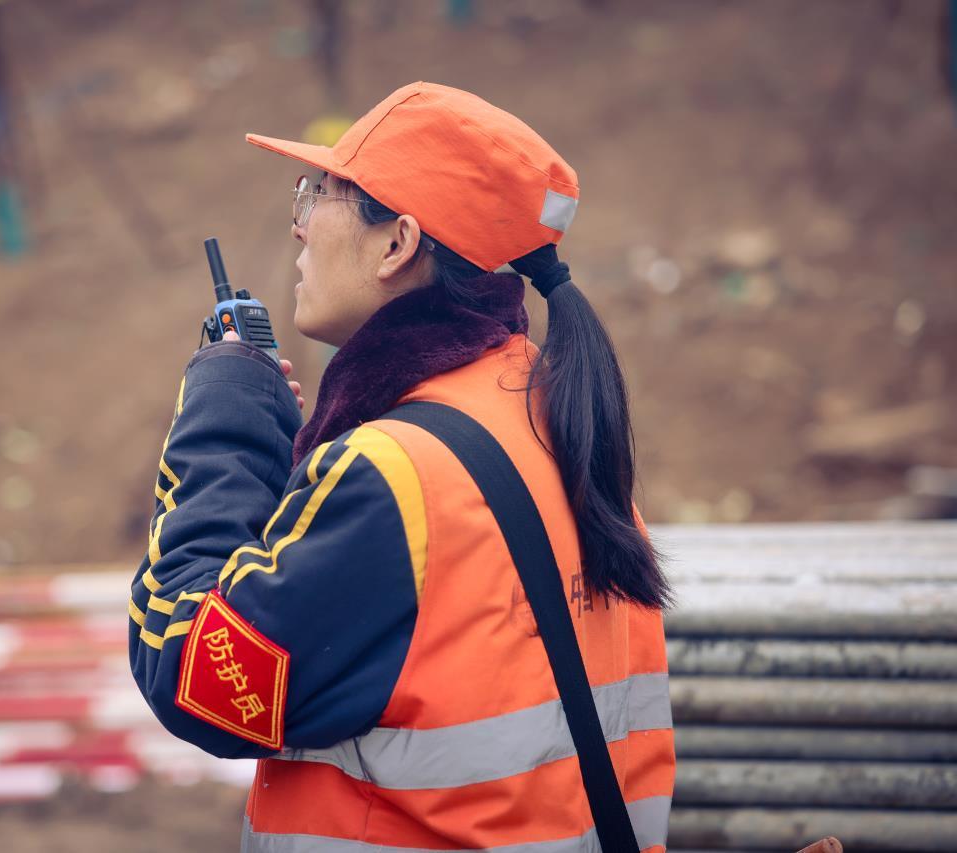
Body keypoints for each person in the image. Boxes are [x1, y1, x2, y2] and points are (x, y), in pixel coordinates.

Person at [129, 81, 675, 852]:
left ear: (397, 243)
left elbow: (195, 675)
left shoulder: (392, 473)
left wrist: (220, 422)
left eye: (319, 194)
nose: (300, 228)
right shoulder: (553, 420)